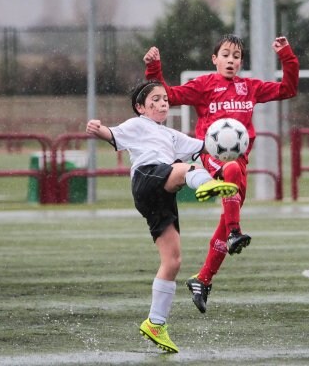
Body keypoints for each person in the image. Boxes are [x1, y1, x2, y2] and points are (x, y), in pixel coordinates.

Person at [143, 34, 299, 313]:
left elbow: (288, 89)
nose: (231, 60)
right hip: (212, 156)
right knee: (230, 196)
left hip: (240, 162)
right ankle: (235, 232)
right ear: (214, 59)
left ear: (241, 62)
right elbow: (169, 94)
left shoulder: (249, 88)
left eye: (236, 56)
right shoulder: (203, 85)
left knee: (225, 217)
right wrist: (154, 68)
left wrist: (286, 54)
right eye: (225, 55)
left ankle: (202, 280)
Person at [86, 81, 239, 353]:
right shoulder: (137, 125)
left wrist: (231, 138)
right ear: (141, 107)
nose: (163, 103)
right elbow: (111, 134)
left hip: (160, 194)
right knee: (183, 168)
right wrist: (97, 128)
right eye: (155, 99)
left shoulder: (171, 134)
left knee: (173, 260)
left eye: (165, 98)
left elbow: (206, 146)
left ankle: (155, 323)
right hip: (147, 177)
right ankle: (205, 185)